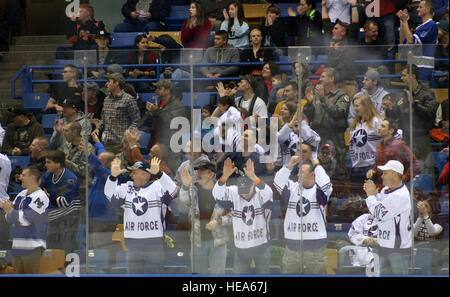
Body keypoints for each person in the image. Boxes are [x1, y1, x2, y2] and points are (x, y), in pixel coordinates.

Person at [104, 157, 178, 274]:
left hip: (155, 245)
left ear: (145, 174)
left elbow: (173, 190)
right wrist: (112, 178)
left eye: (134, 172)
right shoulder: (126, 188)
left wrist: (159, 174)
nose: (131, 175)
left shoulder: (157, 187)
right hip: (133, 247)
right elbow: (110, 196)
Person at [213, 158, 273, 274]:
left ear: (253, 186)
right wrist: (224, 177)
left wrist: (254, 178)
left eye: (247, 191)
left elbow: (268, 193)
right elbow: (217, 194)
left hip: (261, 245)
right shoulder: (235, 192)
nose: (244, 195)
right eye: (242, 191)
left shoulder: (260, 192)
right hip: (241, 247)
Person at [274, 155, 332, 274]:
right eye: (298, 172)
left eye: (302, 172)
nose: (298, 175)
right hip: (292, 246)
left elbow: (326, 184)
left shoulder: (319, 190)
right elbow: (277, 182)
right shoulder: (292, 188)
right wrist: (289, 165)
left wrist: (317, 166)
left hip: (315, 247)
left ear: (312, 175)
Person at [178, 161, 232, 274]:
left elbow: (234, 215)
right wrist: (185, 185)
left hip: (218, 242)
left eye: (202, 172)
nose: (198, 174)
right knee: (198, 275)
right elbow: (183, 204)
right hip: (197, 242)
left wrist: (219, 221)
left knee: (218, 274)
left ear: (211, 174)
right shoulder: (194, 189)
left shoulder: (225, 191)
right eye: (198, 171)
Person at [363, 160, 412, 275]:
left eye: (385, 173)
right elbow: (380, 203)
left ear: (394, 174)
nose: (382, 175)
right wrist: (373, 192)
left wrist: (370, 196)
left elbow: (378, 213)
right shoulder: (386, 190)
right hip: (384, 244)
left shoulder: (400, 195)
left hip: (397, 249)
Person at [303, 67, 350, 181]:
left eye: (323, 77)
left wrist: (323, 98)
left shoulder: (341, 95)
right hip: (319, 138)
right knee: (318, 171)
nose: (320, 79)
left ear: (332, 79)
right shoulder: (317, 94)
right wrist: (309, 103)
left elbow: (338, 113)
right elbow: (309, 115)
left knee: (337, 171)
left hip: (335, 139)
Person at [0, 166, 49, 274]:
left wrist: (11, 211)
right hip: (17, 247)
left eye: (23, 175)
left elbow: (27, 219)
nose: (20, 177)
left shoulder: (41, 197)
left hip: (33, 247)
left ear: (32, 178)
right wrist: (10, 212)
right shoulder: (21, 195)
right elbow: (9, 219)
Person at [79, 140, 124, 253]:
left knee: (101, 248)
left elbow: (98, 167)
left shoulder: (110, 176)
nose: (97, 162)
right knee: (92, 247)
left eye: (100, 161)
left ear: (109, 164)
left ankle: (103, 269)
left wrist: (89, 155)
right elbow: (102, 154)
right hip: (94, 217)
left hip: (104, 220)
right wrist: (98, 143)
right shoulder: (102, 172)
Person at [398, 64, 437, 172]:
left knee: (426, 171)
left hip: (422, 139)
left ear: (413, 76)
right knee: (407, 172)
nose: (402, 78)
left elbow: (430, 113)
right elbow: (400, 116)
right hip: (406, 139)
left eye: (404, 75)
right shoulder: (403, 94)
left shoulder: (427, 93)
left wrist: (414, 104)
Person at [141, 79, 186, 173]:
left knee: (171, 172)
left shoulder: (177, 105)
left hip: (172, 147)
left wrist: (156, 111)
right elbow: (144, 124)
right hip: (157, 145)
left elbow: (171, 121)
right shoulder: (159, 105)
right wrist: (150, 114)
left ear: (167, 90)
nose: (156, 91)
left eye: (159, 89)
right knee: (156, 172)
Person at [41, 150, 81, 254]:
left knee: (64, 249)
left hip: (69, 218)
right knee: (51, 248)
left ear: (58, 164)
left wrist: (49, 197)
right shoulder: (48, 175)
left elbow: (64, 203)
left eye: (49, 162)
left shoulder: (70, 179)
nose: (46, 165)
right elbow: (40, 190)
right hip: (53, 217)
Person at [321, 0, 360, 99]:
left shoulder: (349, 39)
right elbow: (325, 20)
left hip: (347, 83)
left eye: (336, 29)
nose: (333, 30)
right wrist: (324, 6)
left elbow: (355, 23)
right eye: (334, 28)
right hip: (331, 84)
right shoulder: (331, 36)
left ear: (343, 33)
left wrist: (354, 5)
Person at [366, 119, 421, 187]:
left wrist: (402, 180)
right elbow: (377, 164)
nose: (379, 128)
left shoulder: (399, 145)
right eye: (380, 126)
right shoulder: (379, 146)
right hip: (380, 187)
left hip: (393, 187)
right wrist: (373, 171)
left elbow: (415, 164)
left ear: (391, 131)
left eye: (383, 126)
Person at [397, 0, 439, 86]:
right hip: (413, 71)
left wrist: (405, 22)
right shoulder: (420, 27)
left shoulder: (431, 25)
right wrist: (402, 22)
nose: (417, 9)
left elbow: (411, 41)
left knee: (422, 98)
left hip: (423, 72)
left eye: (420, 7)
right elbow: (403, 41)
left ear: (427, 9)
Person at [99, 73, 141, 154]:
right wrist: (98, 128)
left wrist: (127, 134)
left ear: (116, 83)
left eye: (109, 81)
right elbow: (104, 119)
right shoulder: (106, 99)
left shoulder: (128, 99)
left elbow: (136, 120)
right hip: (106, 142)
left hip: (121, 144)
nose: (106, 84)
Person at [348, 94, 383, 184]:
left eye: (357, 106)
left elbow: (384, 143)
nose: (355, 108)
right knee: (357, 197)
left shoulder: (377, 121)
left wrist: (378, 165)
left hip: (372, 166)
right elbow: (352, 146)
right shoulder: (354, 124)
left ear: (366, 106)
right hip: (356, 167)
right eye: (354, 106)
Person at [414, 198, 444, 274]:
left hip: (432, 249)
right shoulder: (416, 218)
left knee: (425, 251)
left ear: (431, 208)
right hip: (416, 249)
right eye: (421, 206)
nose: (422, 208)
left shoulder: (439, 218)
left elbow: (432, 232)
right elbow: (413, 233)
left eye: (425, 206)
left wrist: (426, 216)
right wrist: (420, 218)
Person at [434, 19, 449, 88]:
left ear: (445, 31)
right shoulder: (438, 43)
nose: (436, 31)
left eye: (438, 29)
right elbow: (435, 63)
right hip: (438, 73)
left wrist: (446, 75)